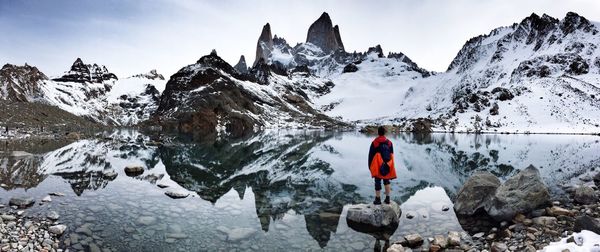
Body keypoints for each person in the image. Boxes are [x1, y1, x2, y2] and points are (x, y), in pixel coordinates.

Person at [367, 126, 397, 205]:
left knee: (377, 182)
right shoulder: (389, 142)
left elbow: (371, 155)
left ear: (378, 132)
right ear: (384, 133)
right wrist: (390, 165)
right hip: (387, 165)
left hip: (377, 165)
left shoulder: (374, 142)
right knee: (386, 181)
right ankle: (388, 198)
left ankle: (378, 199)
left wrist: (370, 166)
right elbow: (392, 154)